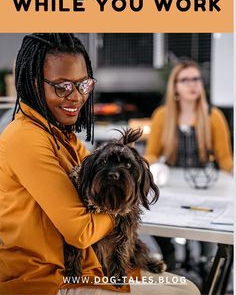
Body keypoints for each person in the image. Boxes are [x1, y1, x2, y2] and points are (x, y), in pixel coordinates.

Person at [0, 34, 200, 295]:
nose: (75, 97)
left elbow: (101, 183)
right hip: (48, 279)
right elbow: (80, 232)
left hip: (90, 266)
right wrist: (124, 208)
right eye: (62, 86)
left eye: (82, 84)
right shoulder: (26, 138)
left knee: (185, 286)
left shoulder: (61, 135)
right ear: (34, 84)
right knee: (183, 292)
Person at [144, 59, 233, 276]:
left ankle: (204, 266)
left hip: (205, 188)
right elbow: (151, 154)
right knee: (153, 217)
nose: (192, 84)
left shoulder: (214, 117)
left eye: (196, 79)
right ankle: (170, 258)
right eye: (185, 80)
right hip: (171, 187)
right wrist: (156, 168)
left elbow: (225, 160)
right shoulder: (162, 116)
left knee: (208, 240)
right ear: (175, 87)